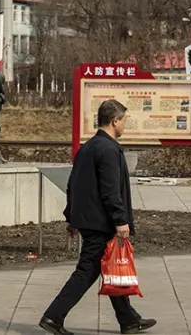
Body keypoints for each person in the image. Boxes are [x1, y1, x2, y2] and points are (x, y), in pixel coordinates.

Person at [40, 99, 156, 335]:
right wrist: (120, 220)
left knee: (112, 267)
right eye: (124, 121)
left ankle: (129, 320)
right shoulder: (109, 149)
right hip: (101, 223)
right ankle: (53, 316)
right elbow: (111, 190)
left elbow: (74, 185)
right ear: (115, 121)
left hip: (89, 219)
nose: (125, 125)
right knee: (87, 271)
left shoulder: (87, 147)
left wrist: (71, 217)